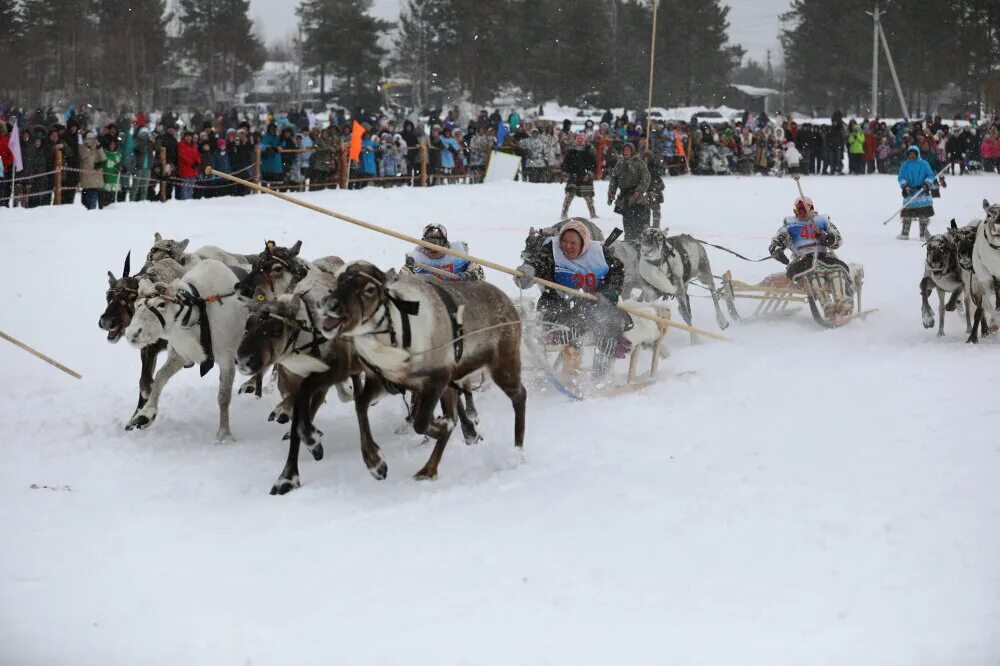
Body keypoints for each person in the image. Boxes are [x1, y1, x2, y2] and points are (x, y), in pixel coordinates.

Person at [515, 219, 631, 378]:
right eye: (564, 241)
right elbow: (539, 263)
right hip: (558, 304)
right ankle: (559, 367)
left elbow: (617, 273)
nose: (567, 246)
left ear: (583, 243)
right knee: (565, 326)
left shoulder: (601, 254)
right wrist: (530, 270)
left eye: (572, 243)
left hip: (592, 304)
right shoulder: (552, 250)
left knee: (608, 328)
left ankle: (600, 377)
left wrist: (607, 294)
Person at [768, 196, 851, 317]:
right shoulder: (790, 225)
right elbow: (776, 242)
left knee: (836, 272)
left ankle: (842, 302)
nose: (803, 212)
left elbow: (837, 239)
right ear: (795, 211)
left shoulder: (822, 221)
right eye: (799, 209)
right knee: (815, 276)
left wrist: (829, 238)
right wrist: (777, 251)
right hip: (804, 262)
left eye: (806, 209)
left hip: (825, 258)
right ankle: (827, 305)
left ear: (812, 208)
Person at [402, 224, 485, 281]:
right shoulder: (416, 259)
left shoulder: (457, 254)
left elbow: (480, 273)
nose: (432, 248)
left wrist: (468, 276)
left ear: (445, 243)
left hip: (458, 296)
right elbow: (401, 282)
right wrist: (409, 271)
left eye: (436, 242)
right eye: (429, 242)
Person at [607, 141, 651, 241]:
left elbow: (646, 178)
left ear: (632, 151)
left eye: (628, 150)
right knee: (627, 222)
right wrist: (611, 192)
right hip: (624, 197)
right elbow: (614, 179)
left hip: (637, 197)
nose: (625, 151)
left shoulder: (639, 163)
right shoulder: (620, 164)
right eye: (624, 150)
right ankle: (629, 241)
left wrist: (639, 190)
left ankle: (641, 241)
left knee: (639, 222)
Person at [896, 145, 938, 240]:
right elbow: (901, 177)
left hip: (922, 192)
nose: (912, 155)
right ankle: (904, 233)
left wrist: (926, 184)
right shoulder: (905, 165)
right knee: (907, 215)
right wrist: (905, 186)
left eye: (913, 154)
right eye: (910, 154)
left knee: (923, 215)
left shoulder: (924, 164)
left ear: (917, 154)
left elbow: (931, 175)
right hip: (910, 192)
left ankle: (923, 234)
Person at [560, 133, 597, 218]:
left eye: (581, 140)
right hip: (573, 177)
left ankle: (593, 213)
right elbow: (565, 164)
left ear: (584, 141)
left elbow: (592, 165)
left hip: (585, 177)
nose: (580, 141)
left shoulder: (588, 152)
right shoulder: (570, 152)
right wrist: (565, 174)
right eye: (578, 139)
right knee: (569, 194)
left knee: (588, 197)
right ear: (575, 141)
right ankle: (564, 213)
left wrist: (588, 174)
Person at [78, 131, 106, 210]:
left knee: (91, 206)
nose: (91, 140)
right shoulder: (82, 147)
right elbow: (84, 156)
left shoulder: (97, 147)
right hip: (86, 182)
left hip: (95, 183)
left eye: (92, 138)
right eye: (89, 138)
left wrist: (99, 147)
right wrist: (89, 147)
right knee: (84, 205)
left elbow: (103, 158)